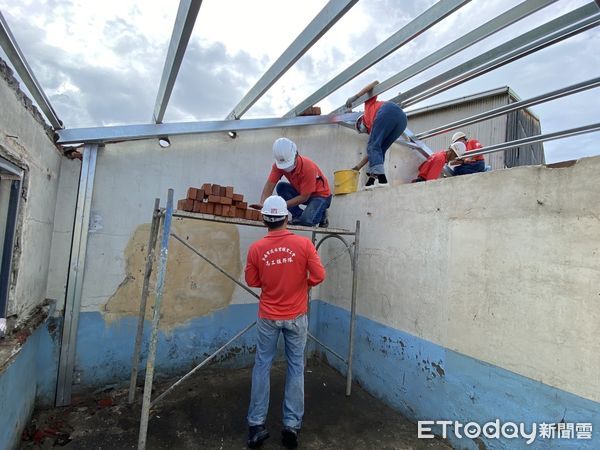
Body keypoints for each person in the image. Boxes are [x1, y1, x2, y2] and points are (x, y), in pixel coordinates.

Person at [245, 195, 326, 449]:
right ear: (286, 218)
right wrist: (304, 284)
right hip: (296, 316)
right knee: (295, 367)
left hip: (268, 316)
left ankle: (256, 425)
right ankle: (291, 425)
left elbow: (252, 281)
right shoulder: (303, 245)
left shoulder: (256, 249)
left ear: (265, 220)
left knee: (262, 366)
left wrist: (272, 283)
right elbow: (319, 275)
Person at [345, 80, 408, 189]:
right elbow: (372, 154)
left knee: (373, 146)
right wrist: (357, 167)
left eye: (360, 129)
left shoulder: (368, 108)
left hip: (387, 111)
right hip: (402, 121)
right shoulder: (373, 128)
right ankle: (371, 182)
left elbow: (375, 83)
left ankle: (383, 180)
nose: (363, 131)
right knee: (379, 150)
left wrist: (355, 97)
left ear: (360, 121)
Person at [259, 137, 332, 227]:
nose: (286, 168)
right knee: (281, 187)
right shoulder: (278, 166)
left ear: (296, 154)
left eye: (288, 164)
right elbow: (269, 186)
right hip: (302, 192)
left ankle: (322, 216)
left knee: (306, 221)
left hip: (321, 196)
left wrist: (280, 205)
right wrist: (263, 206)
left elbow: (304, 197)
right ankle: (298, 215)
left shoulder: (308, 168)